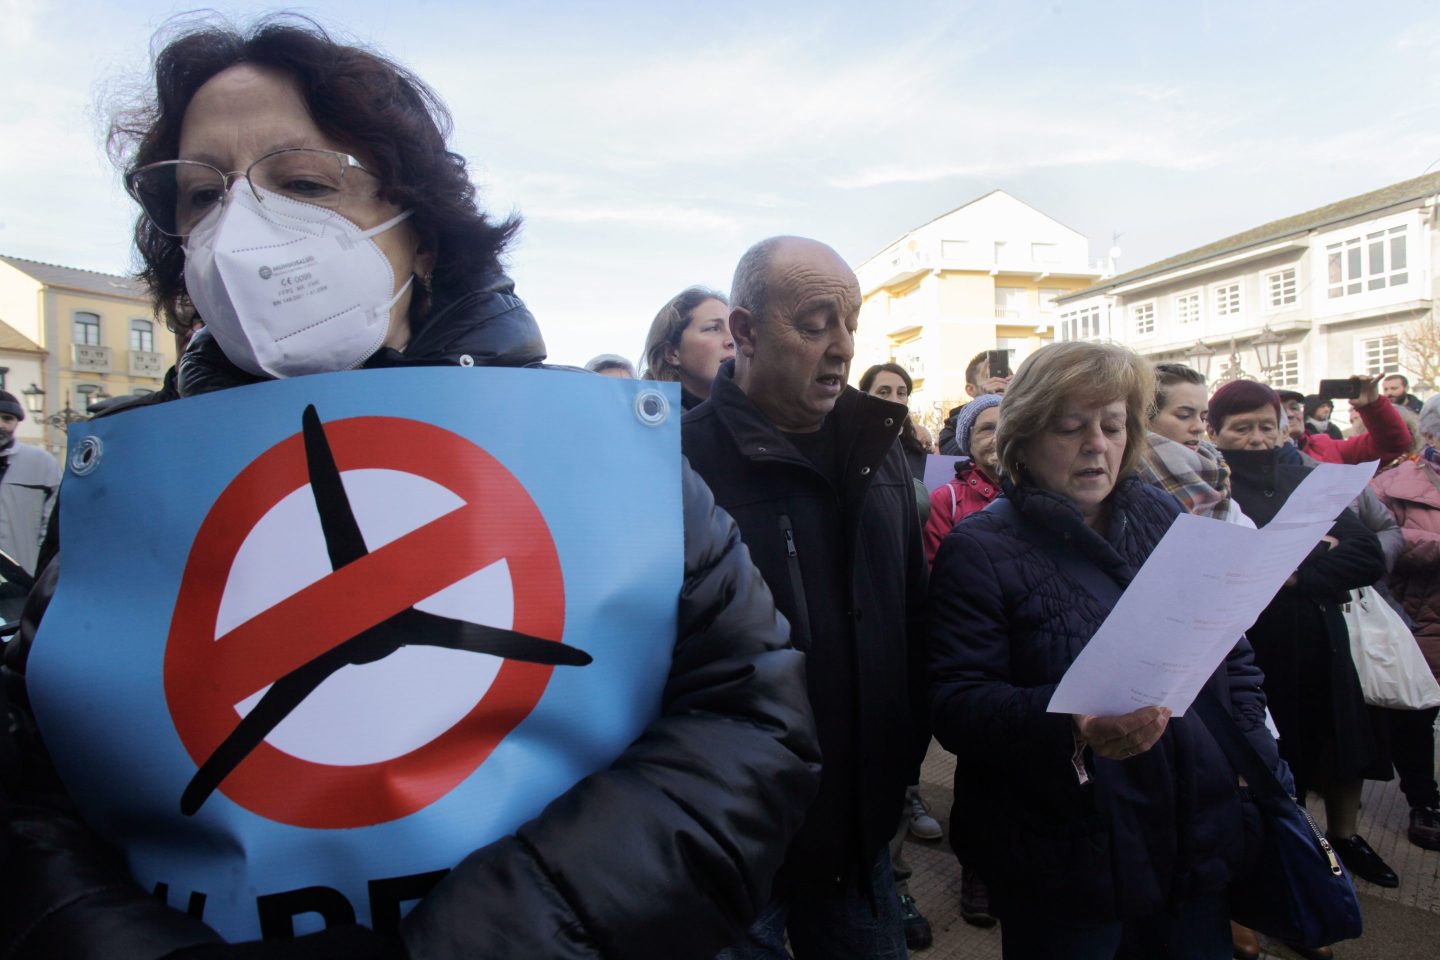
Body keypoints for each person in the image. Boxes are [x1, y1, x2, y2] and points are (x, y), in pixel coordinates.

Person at [0, 19, 820, 959]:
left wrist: (483, 941)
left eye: (303, 184)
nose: (240, 232)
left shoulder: (596, 456)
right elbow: (35, 790)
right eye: (200, 195)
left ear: (421, 236)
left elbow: (747, 725)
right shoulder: (119, 486)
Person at [929, 341, 1283, 959]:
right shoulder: (978, 549)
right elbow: (959, 702)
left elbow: (1230, 652)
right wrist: (1074, 722)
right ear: (1023, 437)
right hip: (1068, 855)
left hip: (1192, 840)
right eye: (1071, 427)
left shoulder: (1159, 510)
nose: (1098, 444)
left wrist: (1251, 759)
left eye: (1114, 425)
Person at [683, 236, 927, 960]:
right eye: (817, 323)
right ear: (747, 331)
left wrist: (899, 765)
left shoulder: (880, 450)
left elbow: (913, 614)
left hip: (859, 829)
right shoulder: (677, 461)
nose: (844, 347)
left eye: (851, 324)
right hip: (732, 841)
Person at [1207, 380, 1395, 900]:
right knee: (1276, 750)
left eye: (1267, 425)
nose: (1258, 438)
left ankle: (1346, 837)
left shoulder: (1310, 479)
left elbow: (1366, 557)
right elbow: (1232, 562)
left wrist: (1290, 571)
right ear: (1214, 430)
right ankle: (1293, 849)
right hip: (1257, 644)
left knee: (1341, 742)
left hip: (1323, 635)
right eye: (1241, 428)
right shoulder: (1214, 486)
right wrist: (1311, 551)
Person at [1369, 395, 1440, 852]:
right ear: (1429, 434)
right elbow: (1381, 543)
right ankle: (1424, 800)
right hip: (1419, 618)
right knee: (1418, 714)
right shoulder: (1391, 484)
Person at [1138, 363, 1249, 525]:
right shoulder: (1125, 481)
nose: (1198, 427)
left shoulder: (1217, 475)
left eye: (1203, 417)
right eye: (1184, 415)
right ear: (1145, 418)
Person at [923, 392, 1001, 564]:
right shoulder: (945, 500)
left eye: (1007, 427)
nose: (999, 437)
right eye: (988, 428)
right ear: (968, 441)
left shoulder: (1036, 491)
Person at [641, 287, 734, 410]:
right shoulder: (647, 420)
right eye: (713, 328)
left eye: (734, 328)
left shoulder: (756, 413)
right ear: (672, 353)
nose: (732, 341)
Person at [0, 392, 61, 575]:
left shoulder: (42, 462)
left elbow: (53, 525)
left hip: (24, 577)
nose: (0, 425)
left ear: (17, 422)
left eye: (7, 418)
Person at [937, 350, 1012, 455]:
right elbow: (958, 454)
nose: (998, 383)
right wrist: (988, 401)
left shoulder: (1025, 413)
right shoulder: (953, 426)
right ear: (971, 389)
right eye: (989, 377)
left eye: (1004, 377)